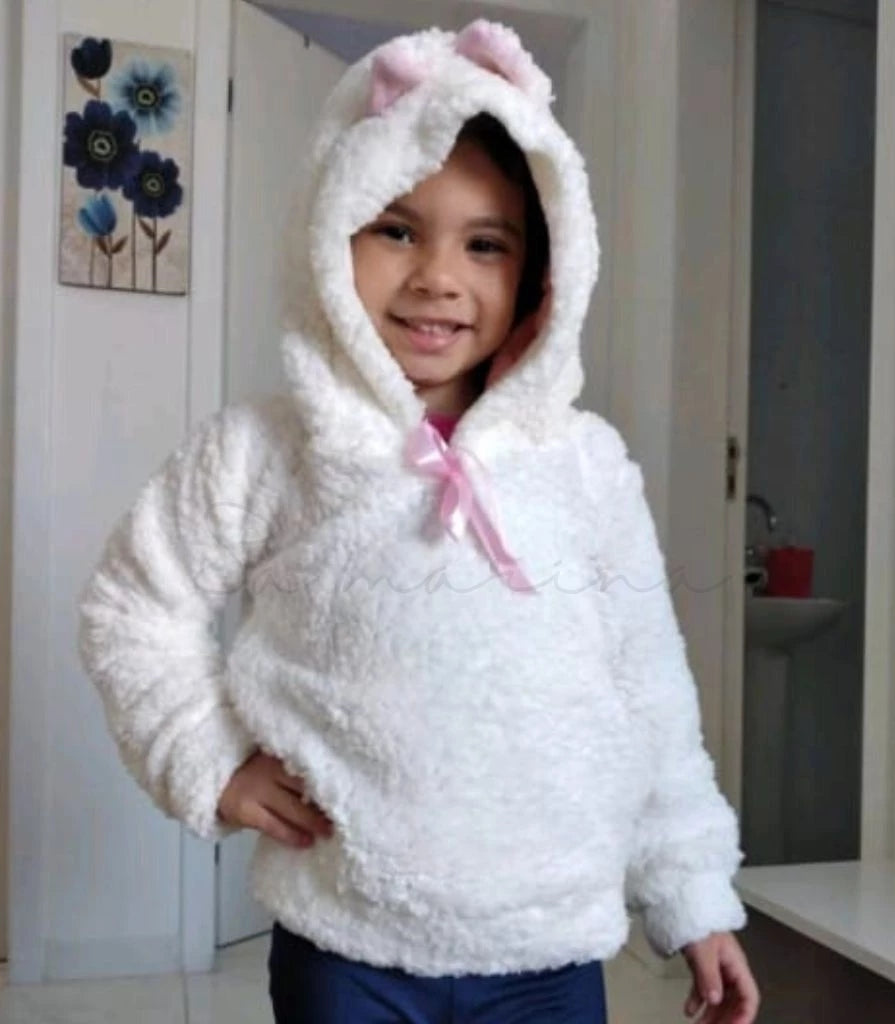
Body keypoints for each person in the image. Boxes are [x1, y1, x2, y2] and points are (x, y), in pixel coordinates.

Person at [78, 19, 759, 1024]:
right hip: (347, 942)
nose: (439, 276)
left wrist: (691, 893)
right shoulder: (268, 450)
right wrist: (208, 753)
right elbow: (133, 604)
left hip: (547, 948)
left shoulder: (585, 468)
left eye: (485, 245)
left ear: (541, 272)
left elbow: (648, 689)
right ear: (329, 232)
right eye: (396, 229)